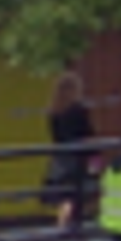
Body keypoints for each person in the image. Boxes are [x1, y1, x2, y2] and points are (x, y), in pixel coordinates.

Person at [44, 70, 96, 229]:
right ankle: (74, 226)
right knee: (78, 195)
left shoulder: (54, 112)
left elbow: (56, 137)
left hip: (61, 158)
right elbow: (88, 133)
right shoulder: (79, 110)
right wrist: (95, 159)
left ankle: (62, 225)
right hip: (78, 158)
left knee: (65, 196)